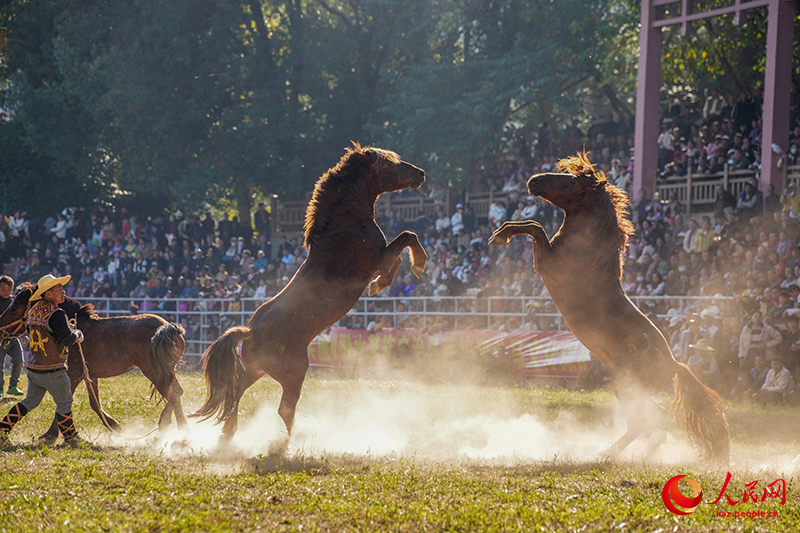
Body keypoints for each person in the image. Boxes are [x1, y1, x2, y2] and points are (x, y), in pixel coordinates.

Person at [0, 274, 86, 447]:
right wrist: (78, 334)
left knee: (28, 403)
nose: (63, 292)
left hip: (34, 368)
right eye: (59, 289)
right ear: (48, 294)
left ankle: (2, 431)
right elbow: (67, 339)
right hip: (53, 370)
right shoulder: (57, 313)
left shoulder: (33, 311)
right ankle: (71, 438)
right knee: (64, 403)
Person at [0, 276, 24, 396]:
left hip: (13, 338)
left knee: (19, 361)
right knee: (0, 365)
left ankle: (13, 386)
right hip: (0, 338)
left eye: (9, 289)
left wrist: (23, 336)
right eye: (3, 289)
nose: (6, 292)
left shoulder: (14, 302)